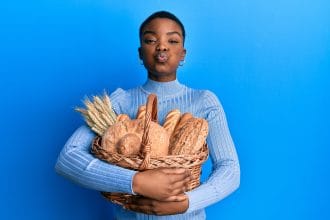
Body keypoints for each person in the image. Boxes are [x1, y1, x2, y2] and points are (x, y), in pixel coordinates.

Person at [55, 11, 240, 219]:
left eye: (172, 40)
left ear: (183, 54)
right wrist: (137, 182)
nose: (162, 46)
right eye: (151, 40)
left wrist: (187, 203)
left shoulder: (204, 101)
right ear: (140, 53)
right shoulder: (119, 102)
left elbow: (229, 169)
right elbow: (67, 158)